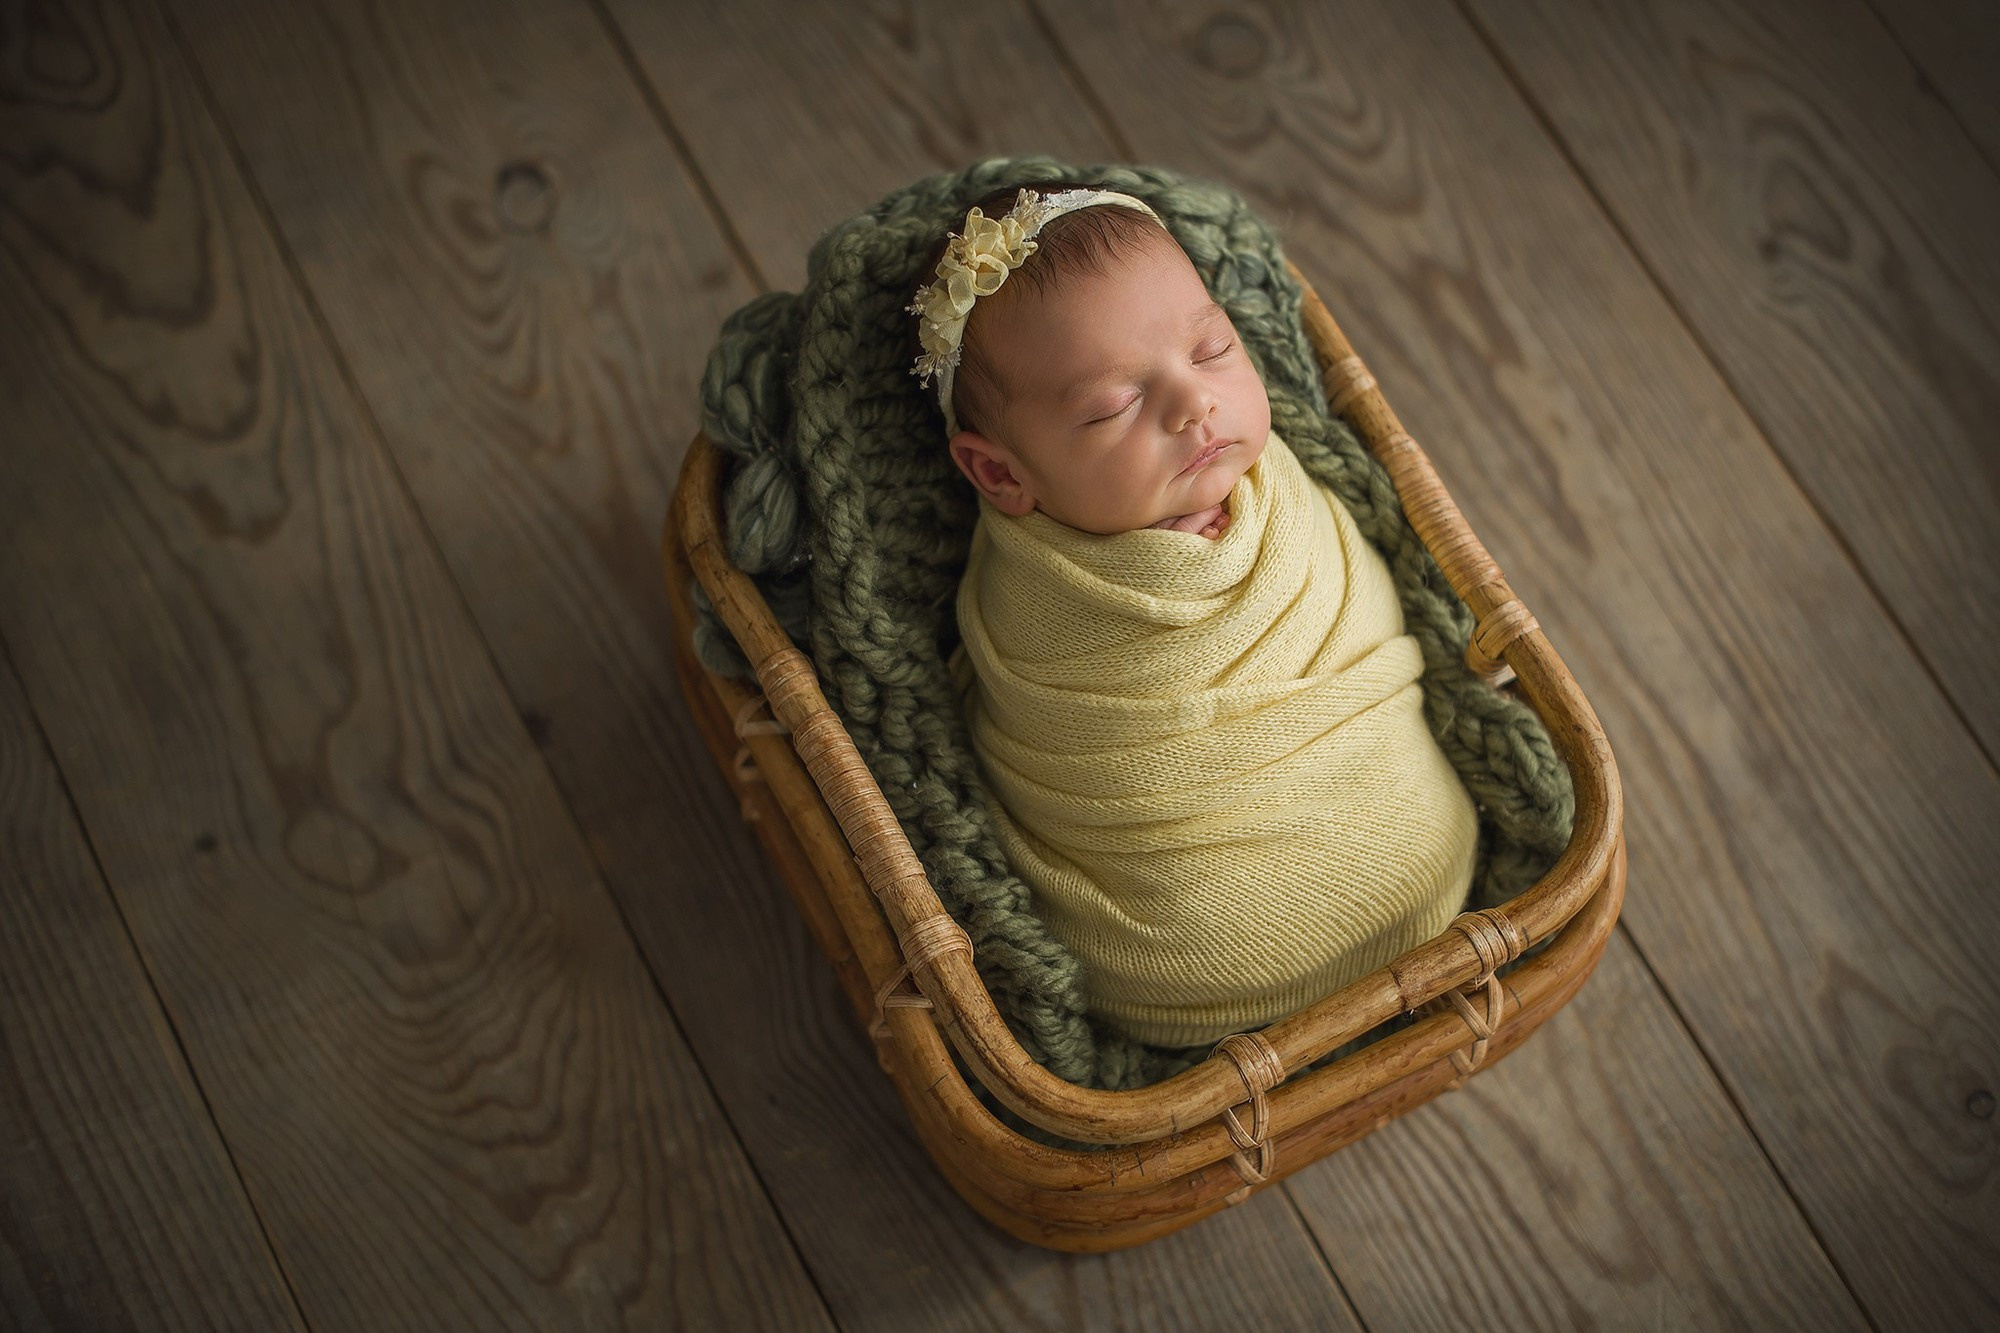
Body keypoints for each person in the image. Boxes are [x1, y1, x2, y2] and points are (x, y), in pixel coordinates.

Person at [912, 185, 1479, 1048]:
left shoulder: (1281, 487)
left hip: (1413, 850)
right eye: (1112, 407)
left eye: (1213, 348)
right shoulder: (1031, 599)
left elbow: (1362, 600)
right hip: (1191, 961)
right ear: (1001, 477)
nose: (1194, 404)